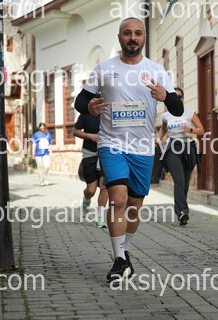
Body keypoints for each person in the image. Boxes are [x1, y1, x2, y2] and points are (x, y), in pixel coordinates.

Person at [74, 17, 183, 282]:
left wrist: (165, 97)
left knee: (134, 205)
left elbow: (178, 109)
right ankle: (119, 259)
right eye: (127, 33)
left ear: (144, 37)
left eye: (137, 33)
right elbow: (81, 100)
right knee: (118, 200)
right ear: (120, 37)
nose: (132, 38)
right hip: (111, 144)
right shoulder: (104, 68)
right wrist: (89, 107)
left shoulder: (156, 70)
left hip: (143, 147)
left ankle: (124, 252)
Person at [158, 88, 204, 226]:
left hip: (189, 148)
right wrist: (157, 139)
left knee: (185, 183)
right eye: (175, 96)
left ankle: (180, 209)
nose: (178, 99)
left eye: (180, 97)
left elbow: (201, 130)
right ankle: (182, 211)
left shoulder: (189, 113)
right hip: (173, 147)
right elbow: (163, 128)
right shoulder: (166, 116)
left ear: (183, 98)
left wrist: (190, 129)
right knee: (179, 180)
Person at [74, 113, 108, 228]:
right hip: (89, 154)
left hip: (106, 154)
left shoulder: (110, 112)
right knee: (91, 190)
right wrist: (90, 136)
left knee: (104, 187)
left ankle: (99, 218)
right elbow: (76, 131)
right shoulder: (86, 113)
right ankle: (86, 200)